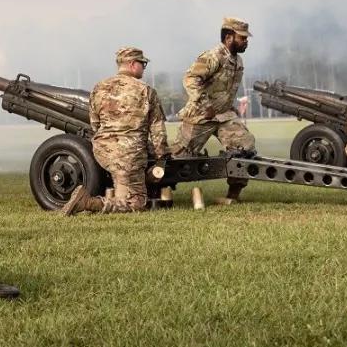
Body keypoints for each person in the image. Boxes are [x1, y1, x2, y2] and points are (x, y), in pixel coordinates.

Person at [62, 47, 170, 215]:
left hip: (102, 152)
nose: (144, 68)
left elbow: (95, 124)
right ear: (132, 64)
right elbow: (157, 130)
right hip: (129, 155)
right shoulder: (146, 91)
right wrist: (162, 158)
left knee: (124, 185)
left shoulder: (99, 87)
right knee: (136, 203)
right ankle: (87, 202)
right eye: (142, 64)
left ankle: (117, 192)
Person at [171, 17, 256, 204]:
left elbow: (225, 88)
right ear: (228, 38)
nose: (246, 41)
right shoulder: (213, 56)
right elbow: (190, 79)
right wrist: (205, 104)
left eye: (246, 38)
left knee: (244, 148)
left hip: (224, 116)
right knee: (178, 158)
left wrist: (229, 106)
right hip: (201, 116)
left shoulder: (238, 60)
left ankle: (232, 197)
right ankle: (159, 195)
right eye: (242, 37)